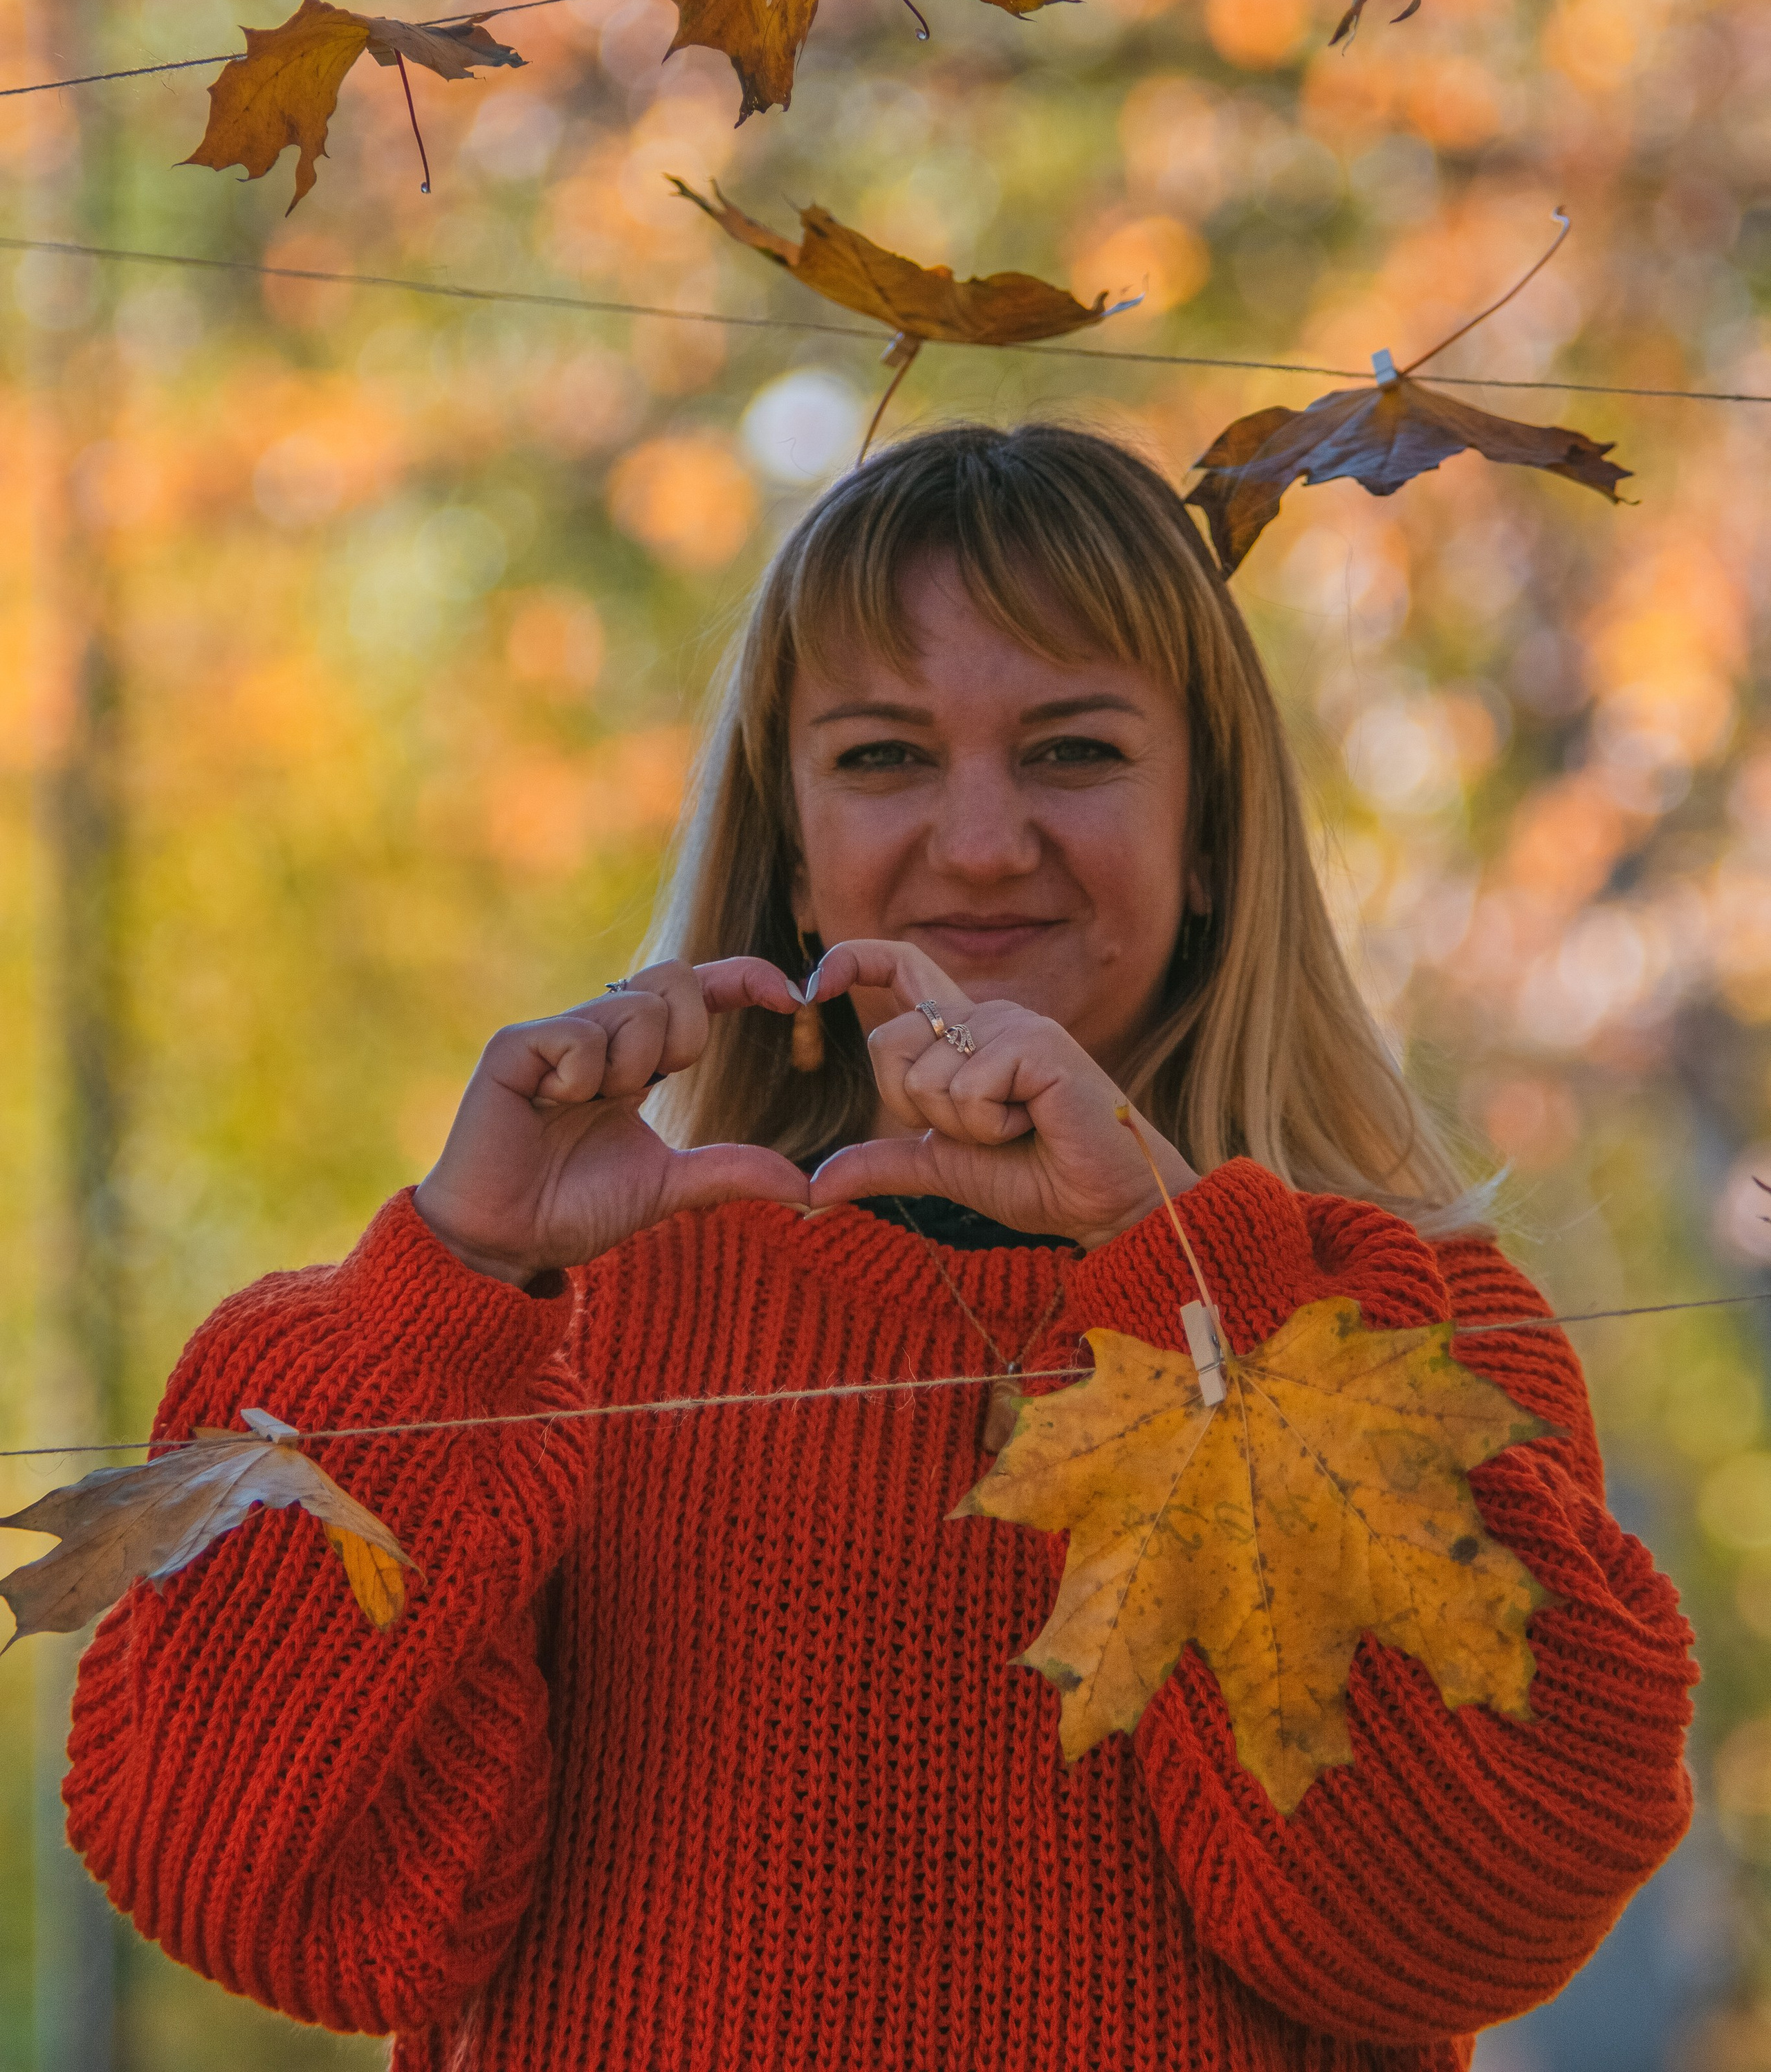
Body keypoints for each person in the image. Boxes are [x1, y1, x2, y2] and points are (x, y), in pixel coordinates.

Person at [64, 423, 1693, 2071]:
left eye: (1070, 753)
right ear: (785, 843)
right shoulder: (574, 1322)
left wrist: (1177, 1276)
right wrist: (454, 1283)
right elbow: (255, 1884)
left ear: (1210, 830)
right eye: (882, 757)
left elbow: (1460, 1914)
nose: (978, 842)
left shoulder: (1382, 1318)